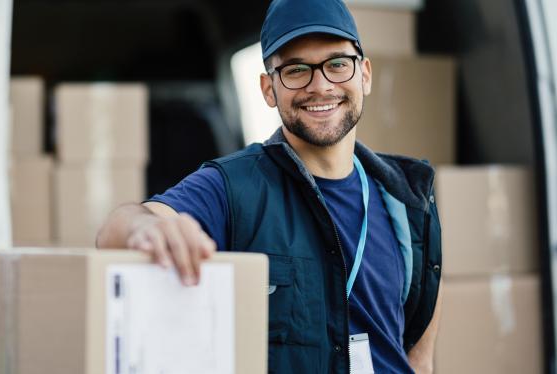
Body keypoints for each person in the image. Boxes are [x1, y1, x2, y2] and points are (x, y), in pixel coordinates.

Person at [97, 0, 442, 372]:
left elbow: (418, 360)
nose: (321, 85)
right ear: (268, 89)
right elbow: (116, 230)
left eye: (338, 64)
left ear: (365, 75)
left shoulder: (409, 199)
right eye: (296, 70)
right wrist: (147, 227)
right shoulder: (232, 187)